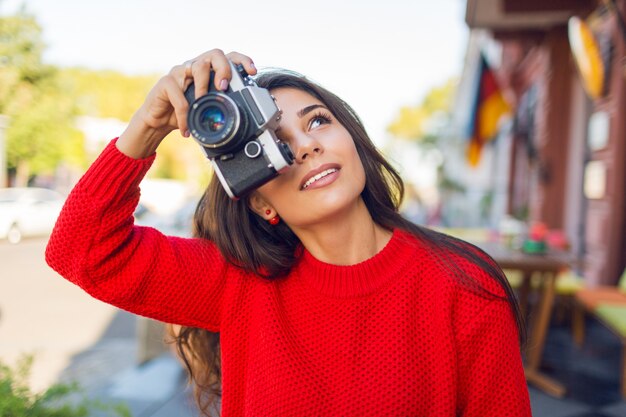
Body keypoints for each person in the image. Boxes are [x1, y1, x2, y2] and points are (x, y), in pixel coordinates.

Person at [46, 49, 531, 416]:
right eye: (274, 144)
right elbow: (81, 251)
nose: (306, 148)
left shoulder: (463, 285)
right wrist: (146, 129)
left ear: (354, 141)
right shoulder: (237, 283)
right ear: (257, 198)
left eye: (317, 121)